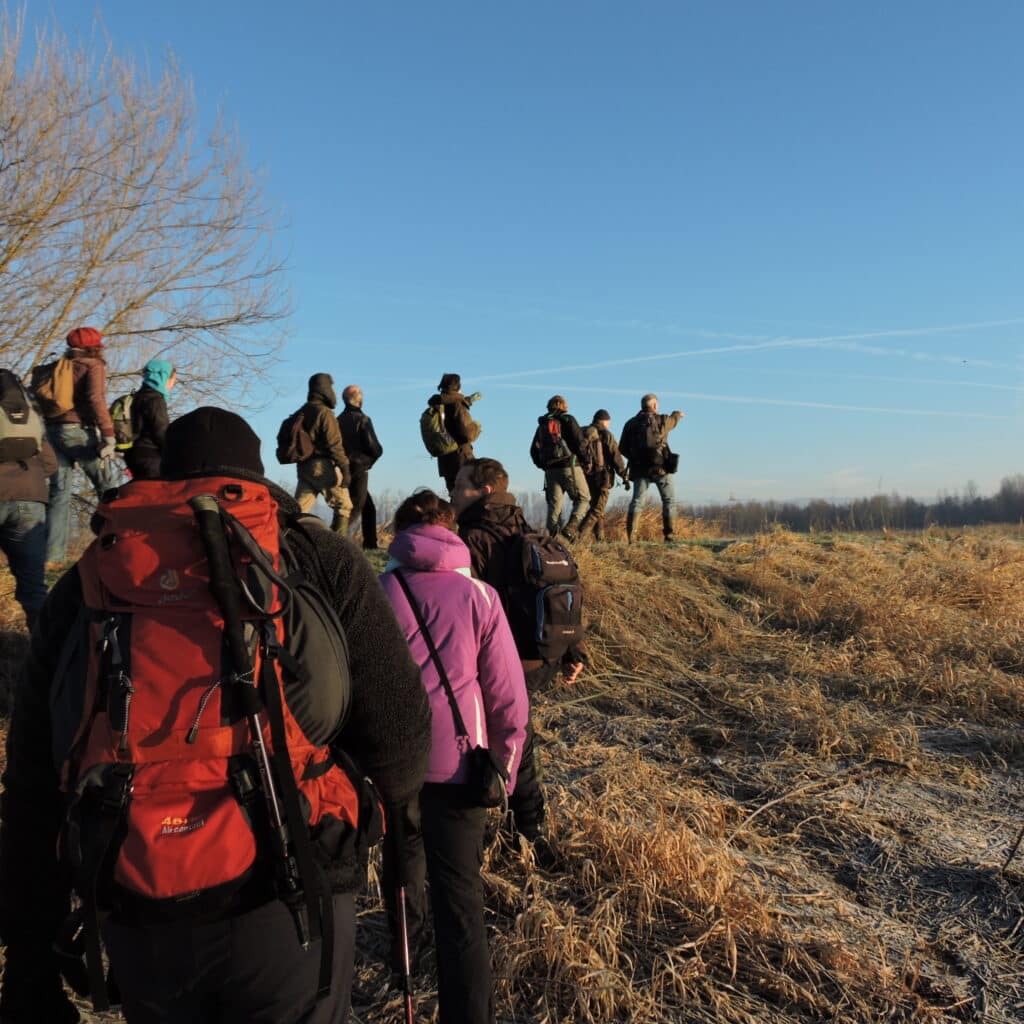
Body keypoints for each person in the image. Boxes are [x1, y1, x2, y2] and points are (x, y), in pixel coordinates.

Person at [0, 407, 431, 1024]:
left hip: (136, 889)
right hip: (292, 890)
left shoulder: (94, 573)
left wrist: (27, 956)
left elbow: (35, 777)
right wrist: (377, 825)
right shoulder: (314, 553)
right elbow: (402, 732)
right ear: (256, 478)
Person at [379, 490, 527, 1024]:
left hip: (394, 767)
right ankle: (468, 1013)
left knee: (399, 875)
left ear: (400, 533)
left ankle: (402, 968)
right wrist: (503, 771)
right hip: (464, 767)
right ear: (450, 532)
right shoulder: (481, 598)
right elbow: (508, 696)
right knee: (460, 899)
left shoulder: (378, 593)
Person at [451, 458, 585, 851]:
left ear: (484, 490)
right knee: (515, 736)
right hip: (541, 656)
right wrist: (573, 650)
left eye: (460, 485)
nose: (452, 492)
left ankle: (530, 831)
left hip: (506, 662)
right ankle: (523, 825)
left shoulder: (472, 537)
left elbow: (467, 611)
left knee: (515, 741)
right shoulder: (526, 528)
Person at [42, 326, 121, 566]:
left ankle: (53, 558)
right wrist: (108, 435)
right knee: (110, 490)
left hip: (52, 432)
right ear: (94, 346)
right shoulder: (93, 365)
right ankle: (117, 550)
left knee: (59, 494)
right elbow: (96, 399)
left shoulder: (60, 366)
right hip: (77, 433)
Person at [0, 370, 57, 631]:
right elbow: (51, 464)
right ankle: (43, 657)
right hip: (30, 500)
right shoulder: (31, 416)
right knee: (34, 587)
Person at [619, 393, 684, 543]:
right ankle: (669, 537)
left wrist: (635, 458)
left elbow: (622, 447)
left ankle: (631, 538)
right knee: (669, 500)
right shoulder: (662, 420)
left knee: (637, 501)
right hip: (660, 468)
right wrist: (678, 414)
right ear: (654, 406)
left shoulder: (630, 423)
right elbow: (673, 421)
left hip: (640, 469)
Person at [292, 373, 353, 534]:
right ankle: (339, 547)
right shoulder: (324, 413)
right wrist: (345, 469)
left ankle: (288, 542)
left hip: (304, 467)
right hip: (322, 467)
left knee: (299, 510)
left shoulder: (301, 412)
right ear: (324, 389)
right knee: (344, 505)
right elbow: (334, 444)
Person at [529, 395, 590, 542]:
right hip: (569, 466)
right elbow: (579, 442)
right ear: (563, 405)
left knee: (554, 505)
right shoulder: (568, 419)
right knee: (583, 498)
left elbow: (533, 450)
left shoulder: (542, 425)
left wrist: (543, 465)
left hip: (550, 470)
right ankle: (570, 529)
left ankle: (554, 539)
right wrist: (586, 460)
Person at [337, 385, 383, 550]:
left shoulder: (337, 420)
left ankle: (370, 544)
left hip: (341, 469)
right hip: (358, 468)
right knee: (355, 507)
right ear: (359, 400)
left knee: (368, 507)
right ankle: (335, 540)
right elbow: (375, 448)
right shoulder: (363, 419)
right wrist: (368, 461)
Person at [577, 409, 627, 542]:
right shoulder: (606, 434)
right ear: (604, 421)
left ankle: (600, 538)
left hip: (585, 476)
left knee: (596, 506)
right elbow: (615, 456)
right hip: (602, 476)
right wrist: (624, 475)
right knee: (598, 508)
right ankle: (579, 536)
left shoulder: (582, 432)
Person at [122, 359, 176, 480]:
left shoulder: (137, 396)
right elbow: (161, 431)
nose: (172, 384)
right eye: (172, 380)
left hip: (132, 454)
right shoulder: (155, 399)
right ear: (164, 377)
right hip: (150, 456)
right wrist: (174, 455)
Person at [428, 374, 480, 492]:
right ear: (458, 386)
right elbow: (467, 433)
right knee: (468, 497)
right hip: (461, 459)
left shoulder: (438, 403)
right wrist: (477, 427)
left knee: (454, 495)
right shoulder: (457, 405)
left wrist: (466, 401)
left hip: (446, 461)